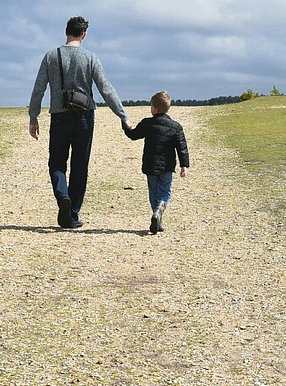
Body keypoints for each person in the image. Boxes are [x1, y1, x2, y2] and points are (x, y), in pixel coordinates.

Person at [28, 16, 129, 229]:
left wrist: (33, 117)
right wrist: (122, 115)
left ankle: (62, 196)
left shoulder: (51, 56)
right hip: (84, 118)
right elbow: (105, 88)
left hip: (59, 117)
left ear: (66, 32)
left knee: (56, 163)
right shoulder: (91, 58)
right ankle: (72, 214)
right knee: (79, 166)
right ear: (84, 35)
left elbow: (39, 89)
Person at [122, 90, 190, 235]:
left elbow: (133, 135)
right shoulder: (175, 127)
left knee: (153, 192)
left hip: (150, 165)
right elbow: (182, 147)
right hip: (166, 167)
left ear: (154, 108)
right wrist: (184, 165)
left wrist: (125, 124)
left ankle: (157, 215)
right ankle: (159, 213)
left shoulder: (147, 124)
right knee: (164, 192)